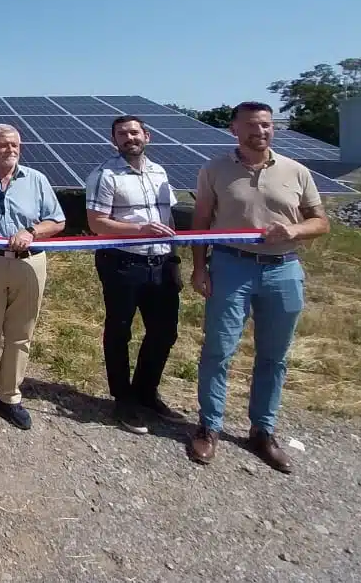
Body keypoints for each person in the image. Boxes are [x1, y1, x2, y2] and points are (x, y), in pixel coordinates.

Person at [187, 101, 329, 473]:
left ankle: (263, 431)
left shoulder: (296, 171)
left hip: (283, 270)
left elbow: (320, 222)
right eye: (251, 126)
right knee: (219, 348)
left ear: (273, 128)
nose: (260, 132)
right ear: (234, 129)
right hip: (231, 265)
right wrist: (199, 268)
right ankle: (209, 426)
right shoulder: (214, 170)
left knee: (274, 356)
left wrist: (295, 230)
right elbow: (201, 222)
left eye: (266, 125)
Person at [0, 124, 65, 430]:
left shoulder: (36, 180)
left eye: (15, 145)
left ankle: (10, 396)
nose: (11, 150)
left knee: (21, 333)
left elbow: (57, 221)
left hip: (30, 265)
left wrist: (32, 232)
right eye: (4, 145)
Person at [85, 116, 186, 433]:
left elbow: (170, 214)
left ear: (147, 136)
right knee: (119, 331)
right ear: (114, 140)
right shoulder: (104, 175)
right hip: (123, 264)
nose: (129, 138)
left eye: (134, 132)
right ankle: (123, 399)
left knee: (164, 331)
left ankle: (146, 391)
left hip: (162, 263)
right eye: (121, 134)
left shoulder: (160, 173)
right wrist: (139, 230)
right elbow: (97, 224)